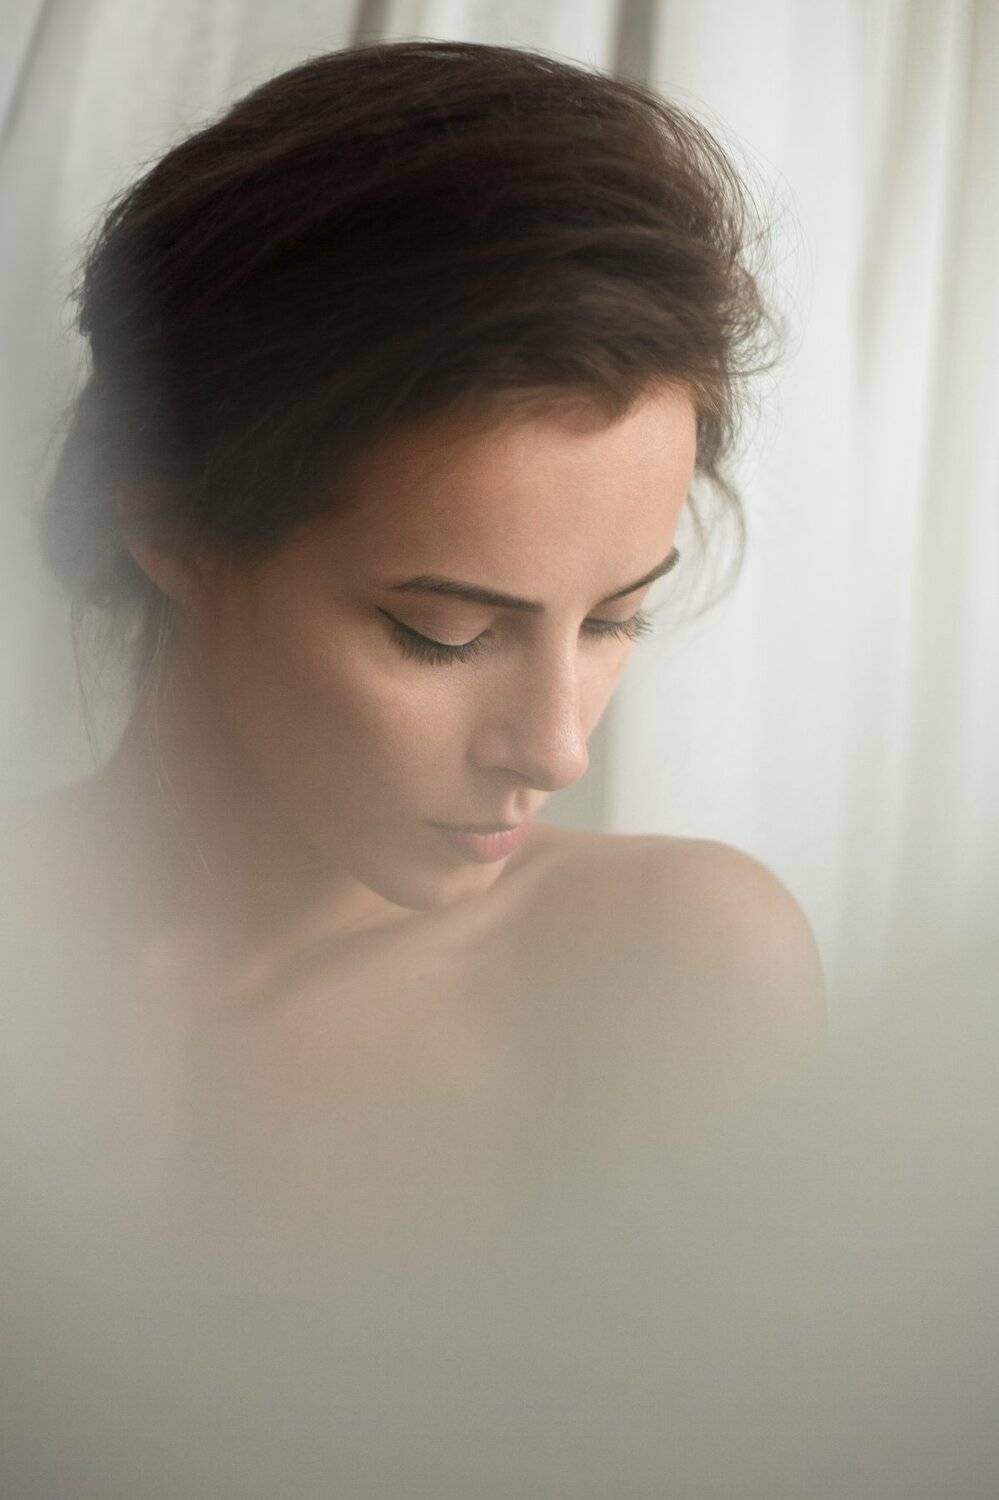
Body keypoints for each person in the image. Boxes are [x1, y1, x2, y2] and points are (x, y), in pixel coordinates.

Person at [4, 39, 825, 1217]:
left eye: (615, 620)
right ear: (177, 536)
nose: (557, 751)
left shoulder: (672, 970)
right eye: (444, 632)